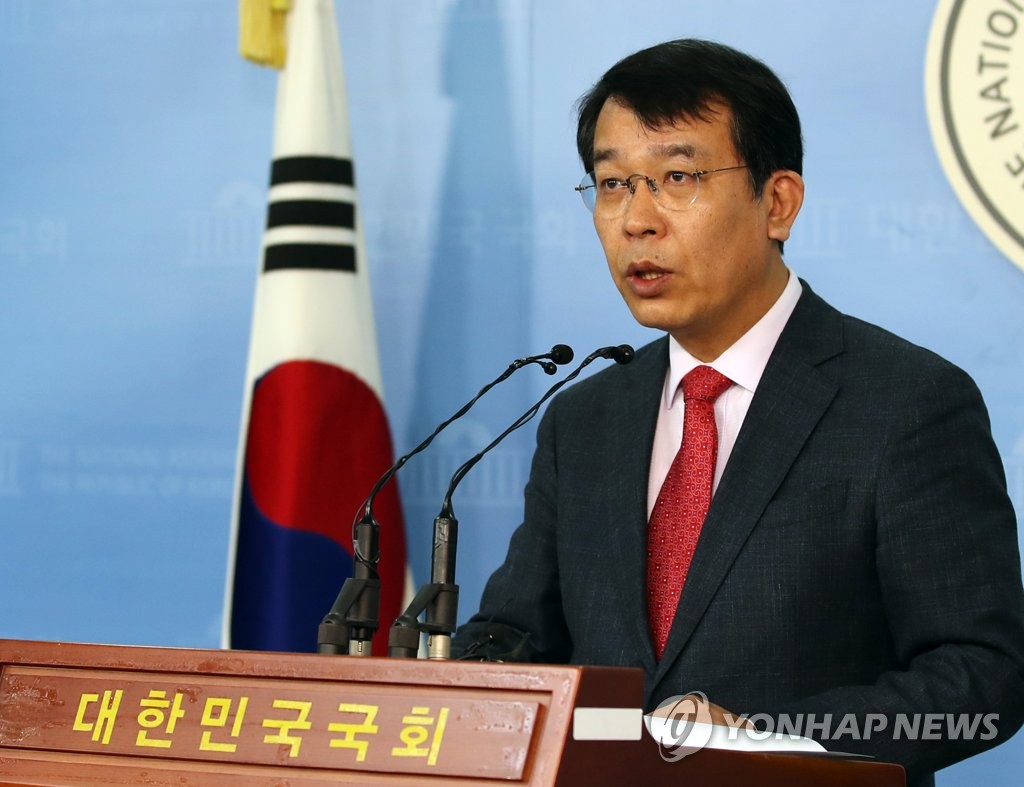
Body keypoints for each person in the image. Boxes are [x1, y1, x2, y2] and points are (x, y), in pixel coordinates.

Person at [451, 39, 1024, 786]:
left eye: (678, 177)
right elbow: (520, 633)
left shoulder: (905, 402)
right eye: (613, 183)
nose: (636, 220)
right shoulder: (585, 419)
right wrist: (446, 678)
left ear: (777, 202)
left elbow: (983, 677)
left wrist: (763, 740)